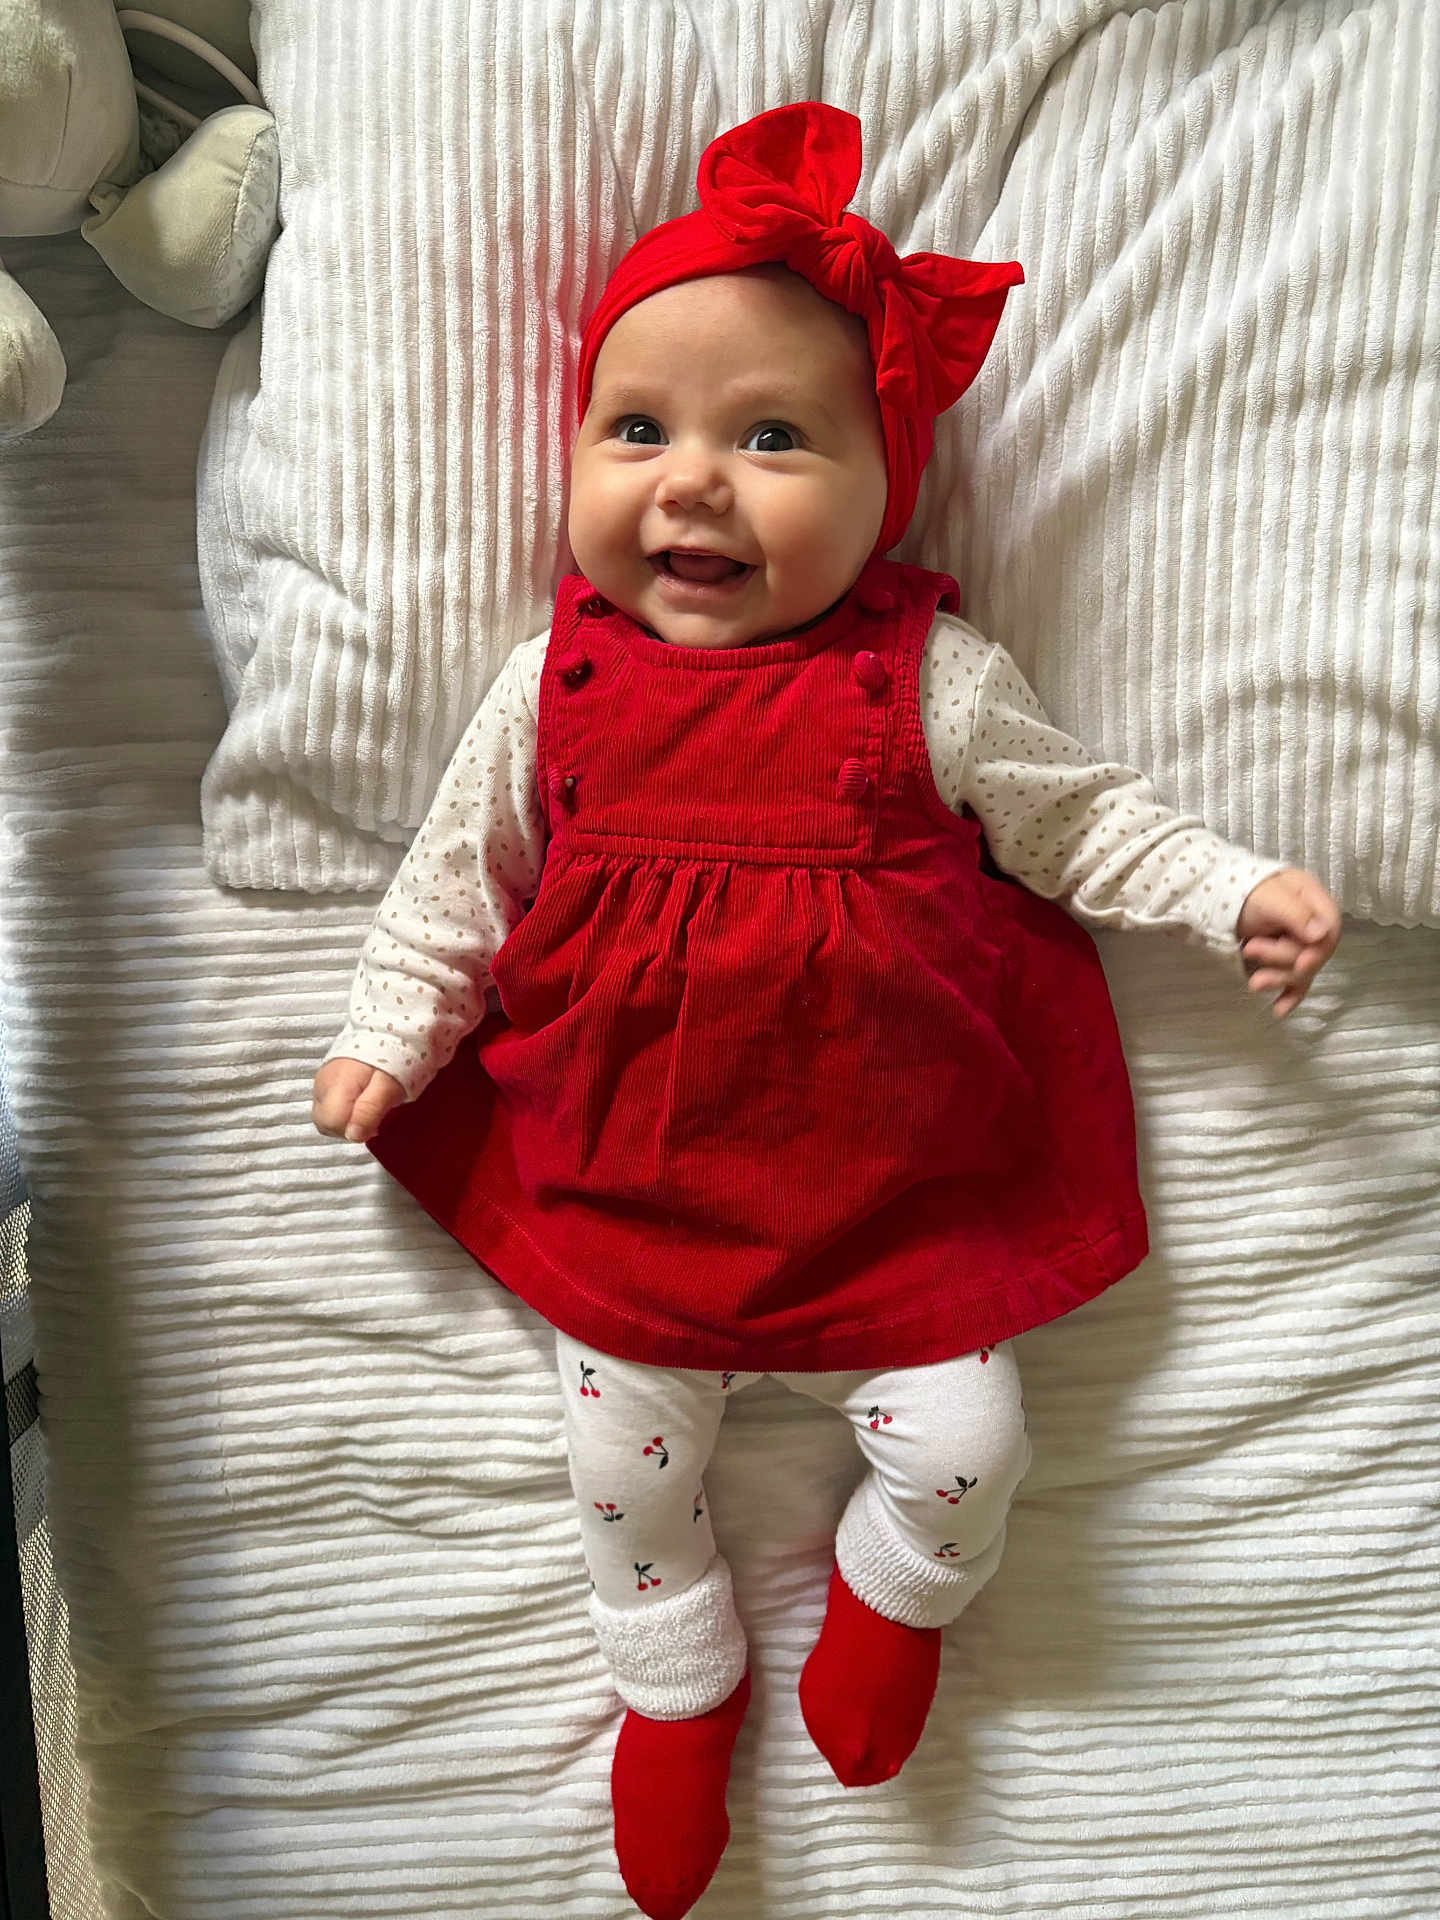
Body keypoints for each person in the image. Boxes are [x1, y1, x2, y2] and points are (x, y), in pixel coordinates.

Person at [311, 102, 1342, 1920]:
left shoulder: (931, 676)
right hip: (627, 1185)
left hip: (900, 1188)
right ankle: (674, 1681)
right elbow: (456, 879)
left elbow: (1081, 815)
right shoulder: (554, 681)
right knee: (618, 1465)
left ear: (888, 496)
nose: (692, 480)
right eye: (639, 430)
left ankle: (896, 1590)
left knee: (968, 1449)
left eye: (772, 437)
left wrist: (1230, 884)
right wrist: (391, 1028)